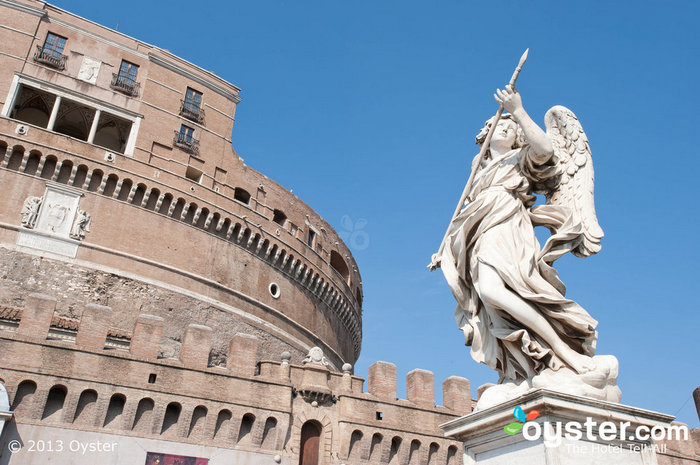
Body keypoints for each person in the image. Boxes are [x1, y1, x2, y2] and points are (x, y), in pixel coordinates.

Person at [438, 85, 598, 383]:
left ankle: (565, 352)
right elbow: (465, 212)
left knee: (494, 290)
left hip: (507, 226)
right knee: (490, 301)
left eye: (507, 126)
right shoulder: (478, 168)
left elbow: (546, 150)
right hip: (477, 232)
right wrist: (447, 249)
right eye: (496, 124)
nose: (499, 128)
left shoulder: (521, 158)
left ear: (518, 136)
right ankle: (521, 368)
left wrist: (518, 111)